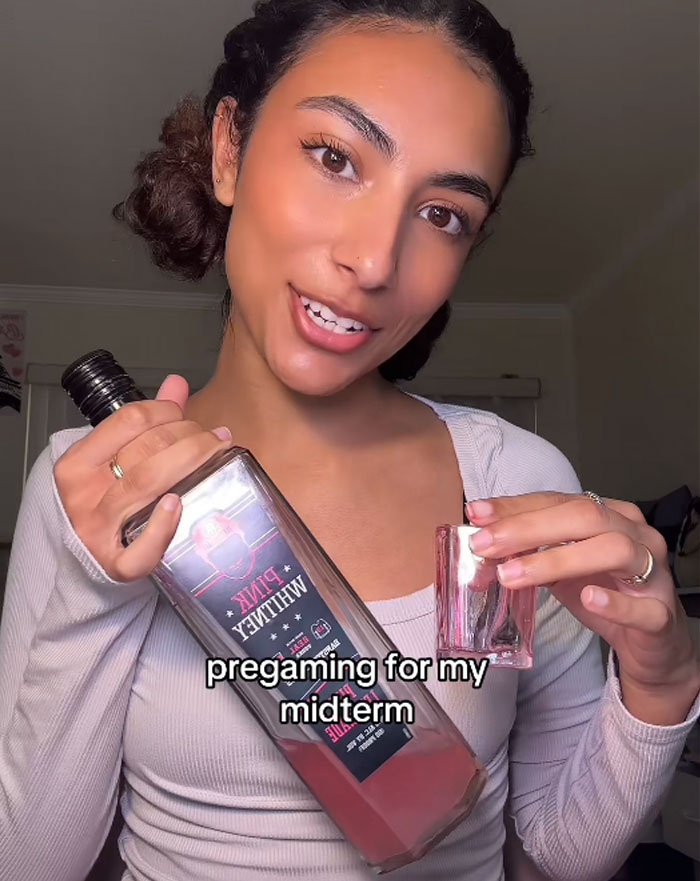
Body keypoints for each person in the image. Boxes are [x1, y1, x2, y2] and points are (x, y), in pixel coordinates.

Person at [1, 1, 699, 879]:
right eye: (335, 157)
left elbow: (559, 853)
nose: (375, 262)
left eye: (443, 213)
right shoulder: (89, 489)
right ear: (229, 148)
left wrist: (662, 684)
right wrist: (92, 587)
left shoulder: (503, 484)